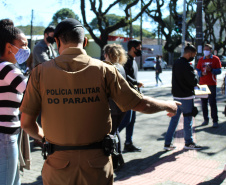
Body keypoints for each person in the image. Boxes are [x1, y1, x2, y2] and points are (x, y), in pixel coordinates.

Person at [20, 18, 179, 185]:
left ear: (57, 41)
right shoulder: (105, 70)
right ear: (86, 41)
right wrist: (169, 105)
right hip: (96, 165)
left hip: (57, 165)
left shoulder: (39, 73)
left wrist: (45, 138)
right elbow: (140, 103)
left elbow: (26, 123)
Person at [0, 19, 29, 185]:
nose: (26, 48)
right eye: (23, 44)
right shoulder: (7, 68)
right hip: (6, 136)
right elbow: (31, 91)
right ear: (9, 46)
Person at [164, 44, 202, 151]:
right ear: (189, 54)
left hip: (176, 97)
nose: (193, 57)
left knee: (174, 120)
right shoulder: (187, 65)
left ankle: (167, 143)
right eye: (193, 55)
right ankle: (188, 142)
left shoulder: (176, 63)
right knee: (188, 120)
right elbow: (192, 81)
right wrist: (195, 75)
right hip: (186, 97)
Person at [103, 43, 127, 169]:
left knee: (111, 134)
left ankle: (115, 159)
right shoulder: (120, 67)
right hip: (121, 107)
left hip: (112, 107)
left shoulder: (109, 68)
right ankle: (119, 157)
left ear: (106, 54)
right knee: (115, 132)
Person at [118, 39, 144, 153]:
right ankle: (112, 136)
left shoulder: (133, 60)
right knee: (126, 120)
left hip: (134, 95)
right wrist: (136, 83)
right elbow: (124, 77)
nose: (140, 50)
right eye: (139, 48)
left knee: (132, 120)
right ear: (133, 48)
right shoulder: (126, 60)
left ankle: (128, 143)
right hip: (127, 96)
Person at [196, 44, 222, 128]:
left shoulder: (215, 59)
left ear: (210, 50)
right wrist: (201, 74)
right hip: (202, 84)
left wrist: (211, 70)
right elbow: (198, 70)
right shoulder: (201, 60)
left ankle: (215, 120)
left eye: (207, 50)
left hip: (212, 84)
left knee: (212, 102)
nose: (205, 51)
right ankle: (205, 119)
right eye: (204, 49)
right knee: (203, 103)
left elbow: (219, 71)